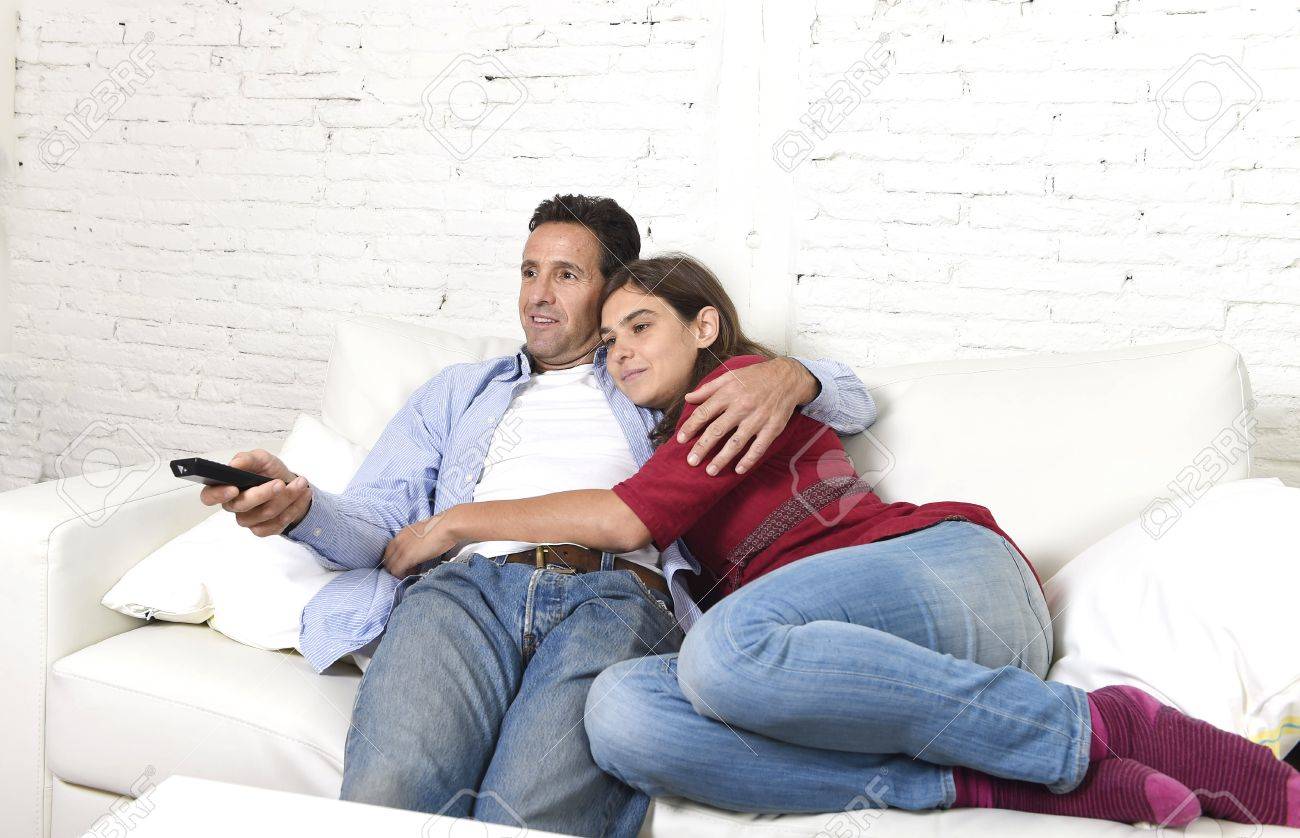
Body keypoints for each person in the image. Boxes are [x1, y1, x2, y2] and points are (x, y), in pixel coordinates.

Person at [386, 254, 1300, 831]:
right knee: (621, 714)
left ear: (705, 327)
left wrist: (456, 522)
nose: (621, 350)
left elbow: (625, 520)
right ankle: (985, 785)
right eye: (610, 339)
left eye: (642, 326)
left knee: (724, 649)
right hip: (840, 662)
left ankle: (1101, 727)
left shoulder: (735, 390)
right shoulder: (673, 440)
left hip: (950, 577)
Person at [200, 196, 876, 838]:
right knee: (390, 795)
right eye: (529, 272)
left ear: (613, 292)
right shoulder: (457, 392)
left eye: (566, 275)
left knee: (531, 811)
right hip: (464, 593)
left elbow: (851, 401)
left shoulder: (652, 374)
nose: (538, 295)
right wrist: (302, 508)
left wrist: (794, 375)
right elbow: (382, 528)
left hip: (614, 597)